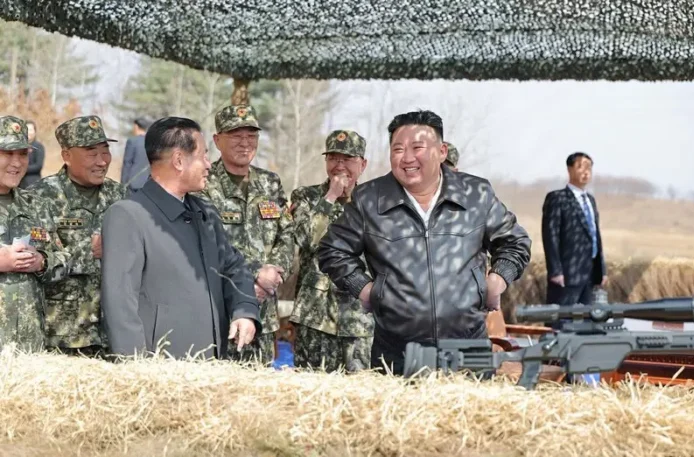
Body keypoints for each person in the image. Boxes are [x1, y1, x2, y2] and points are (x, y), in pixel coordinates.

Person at [317, 110, 531, 375]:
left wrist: (498, 279)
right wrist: (366, 290)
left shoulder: (475, 194)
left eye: (417, 148)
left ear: (441, 151)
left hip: (468, 348)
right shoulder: (370, 199)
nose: (407, 158)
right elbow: (332, 250)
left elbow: (514, 241)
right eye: (398, 149)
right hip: (397, 353)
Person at [100, 116, 261, 359]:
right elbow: (120, 304)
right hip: (162, 367)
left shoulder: (205, 212)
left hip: (210, 364)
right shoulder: (129, 215)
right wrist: (134, 367)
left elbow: (233, 266)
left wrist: (245, 309)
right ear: (178, 161)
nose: (208, 165)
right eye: (203, 156)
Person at [197, 104, 294, 364]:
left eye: (251, 136)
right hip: (222, 311)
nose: (245, 143)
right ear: (217, 140)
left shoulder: (270, 183)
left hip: (264, 312)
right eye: (236, 136)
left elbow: (287, 233)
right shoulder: (204, 183)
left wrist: (274, 273)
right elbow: (207, 241)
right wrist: (255, 275)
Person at [30, 115, 126, 356]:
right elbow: (39, 261)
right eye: (91, 153)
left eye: (105, 152)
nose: (102, 161)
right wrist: (89, 251)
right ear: (67, 156)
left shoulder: (119, 195)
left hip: (113, 331)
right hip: (64, 334)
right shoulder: (41, 197)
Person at [290, 129, 374, 372]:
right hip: (315, 316)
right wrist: (330, 197)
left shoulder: (373, 202)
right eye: (333, 158)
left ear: (362, 164)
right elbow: (305, 239)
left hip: (358, 319)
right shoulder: (306, 196)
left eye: (347, 159)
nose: (339, 165)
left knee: (360, 388)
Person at [0, 115, 70, 352]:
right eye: (7, 153)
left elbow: (64, 260)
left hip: (29, 347)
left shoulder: (36, 205)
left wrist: (42, 262)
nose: (17, 162)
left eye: (22, 154)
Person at [541, 152, 607, 308]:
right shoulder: (557, 198)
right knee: (562, 318)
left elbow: (595, 236)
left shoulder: (590, 200)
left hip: (590, 274)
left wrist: (602, 270)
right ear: (569, 169)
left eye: (589, 168)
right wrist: (555, 271)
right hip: (567, 274)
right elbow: (550, 236)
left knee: (587, 319)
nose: (586, 172)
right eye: (580, 167)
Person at [120, 117, 152, 192]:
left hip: (133, 183)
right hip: (148, 183)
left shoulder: (132, 141)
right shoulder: (152, 142)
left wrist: (123, 184)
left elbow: (127, 163)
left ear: (136, 126)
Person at [19, 120, 45, 188]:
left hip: (32, 182)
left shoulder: (38, 146)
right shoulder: (19, 147)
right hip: (19, 182)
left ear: (35, 131)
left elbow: (38, 166)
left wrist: (22, 169)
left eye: (30, 130)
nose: (28, 132)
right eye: (26, 130)